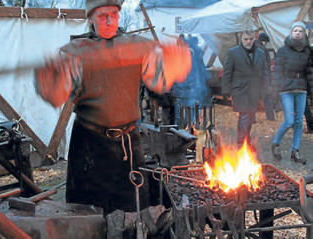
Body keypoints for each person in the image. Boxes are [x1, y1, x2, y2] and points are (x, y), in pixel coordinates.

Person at [34, 0, 191, 215]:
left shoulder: (136, 46)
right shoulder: (74, 52)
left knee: (133, 214)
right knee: (87, 217)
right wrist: (50, 78)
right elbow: (55, 96)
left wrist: (175, 63)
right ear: (90, 18)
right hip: (89, 146)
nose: (109, 21)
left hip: (129, 146)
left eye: (113, 14)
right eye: (102, 16)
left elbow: (159, 82)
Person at [271, 21, 313, 164]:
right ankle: (276, 144)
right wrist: (274, 91)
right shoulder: (283, 50)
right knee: (289, 121)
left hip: (301, 88)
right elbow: (276, 71)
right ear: (291, 33)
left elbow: (309, 73)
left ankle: (295, 151)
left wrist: (311, 92)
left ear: (304, 34)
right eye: (295, 30)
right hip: (286, 88)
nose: (297, 33)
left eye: (300, 31)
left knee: (299, 122)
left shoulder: (308, 51)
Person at [222, 30, 269, 148]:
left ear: (254, 39)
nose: (248, 42)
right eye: (246, 39)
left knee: (251, 115)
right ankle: (241, 142)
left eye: (251, 39)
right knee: (244, 114)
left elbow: (264, 72)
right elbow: (227, 72)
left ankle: (246, 139)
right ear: (242, 40)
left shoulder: (260, 53)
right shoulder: (233, 53)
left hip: (254, 89)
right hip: (240, 89)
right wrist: (226, 89)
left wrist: (265, 89)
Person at [172, 35, 210, 129]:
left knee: (192, 117)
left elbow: (196, 73)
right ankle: (180, 135)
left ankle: (191, 134)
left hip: (190, 92)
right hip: (178, 93)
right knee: (179, 118)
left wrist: (197, 88)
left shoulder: (190, 56)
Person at [255, 32, 275, 121]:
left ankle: (252, 119)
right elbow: (267, 66)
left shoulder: (250, 48)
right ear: (264, 41)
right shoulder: (264, 50)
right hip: (263, 78)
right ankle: (270, 117)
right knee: (267, 97)